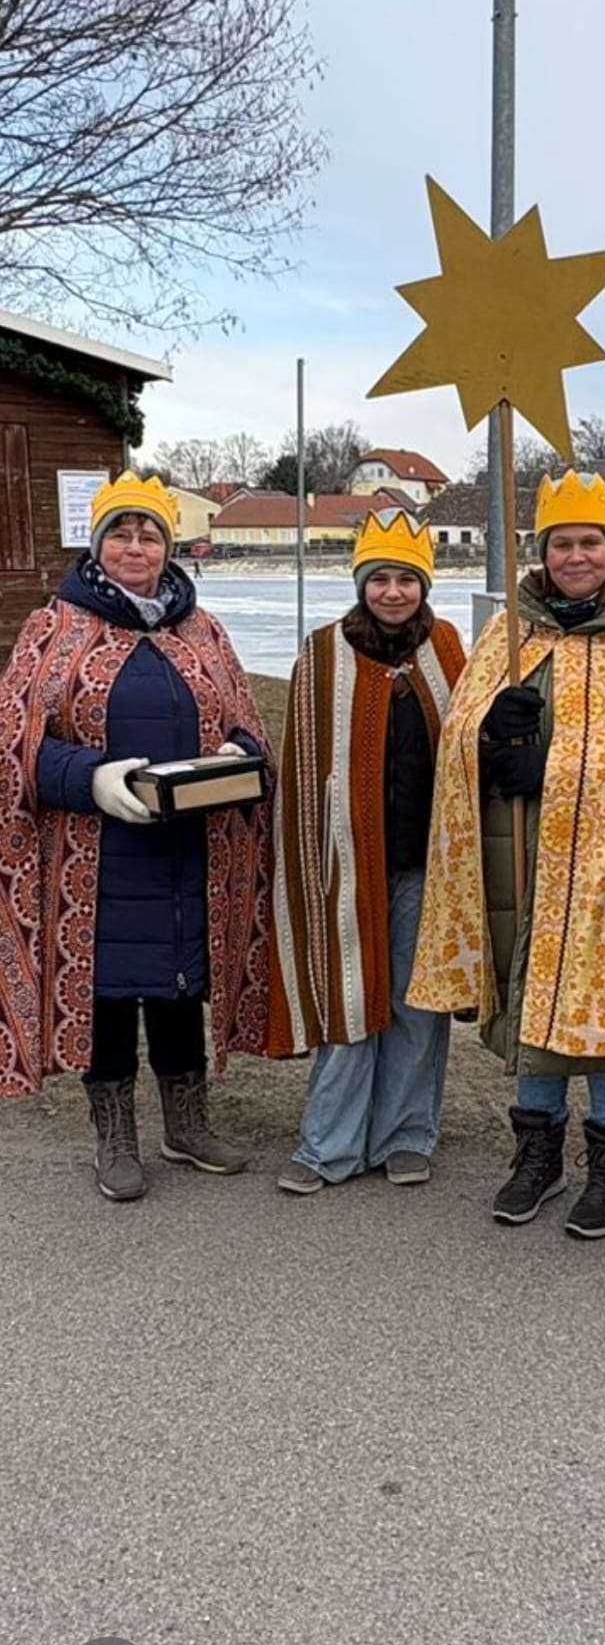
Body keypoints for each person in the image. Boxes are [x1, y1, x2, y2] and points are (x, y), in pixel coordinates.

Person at [409, 470, 605, 1239]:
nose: (575, 557)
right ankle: (536, 1156)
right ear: (541, 553)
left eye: (589, 543)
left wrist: (556, 768)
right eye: (560, 543)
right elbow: (457, 744)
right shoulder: (508, 637)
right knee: (527, 994)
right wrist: (485, 736)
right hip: (520, 853)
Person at [0, 472, 273, 1201]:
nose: (134, 547)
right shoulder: (54, 628)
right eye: (119, 534)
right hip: (97, 856)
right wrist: (88, 778)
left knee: (180, 984)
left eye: (148, 535)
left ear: (168, 547)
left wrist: (236, 753)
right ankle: (114, 1135)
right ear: (97, 547)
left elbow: (245, 719)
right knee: (111, 994)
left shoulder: (202, 629)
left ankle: (186, 1125)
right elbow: (15, 745)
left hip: (190, 845)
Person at [269, 506, 465, 1191]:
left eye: (405, 580)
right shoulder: (324, 654)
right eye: (379, 579)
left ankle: (405, 1134)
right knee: (348, 999)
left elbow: (466, 749)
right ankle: (329, 1145)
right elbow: (303, 766)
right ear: (361, 585)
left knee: (416, 1004)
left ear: (424, 585)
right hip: (344, 864)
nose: (392, 592)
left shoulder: (446, 650)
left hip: (423, 862)